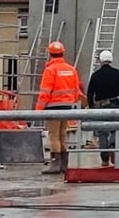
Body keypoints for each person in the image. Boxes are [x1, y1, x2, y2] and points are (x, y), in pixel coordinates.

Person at [35, 41, 84, 175]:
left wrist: (38, 111)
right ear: (63, 52)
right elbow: (76, 90)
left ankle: (55, 164)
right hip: (67, 106)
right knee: (63, 135)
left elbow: (45, 92)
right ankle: (64, 165)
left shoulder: (50, 70)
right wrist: (70, 102)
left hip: (53, 107)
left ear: (50, 54)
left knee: (54, 136)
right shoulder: (71, 69)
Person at [87, 49, 119, 167]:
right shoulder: (118, 73)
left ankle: (104, 159)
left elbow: (90, 93)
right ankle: (113, 145)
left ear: (100, 60)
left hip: (100, 106)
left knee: (102, 133)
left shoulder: (96, 75)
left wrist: (91, 107)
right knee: (115, 128)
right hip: (114, 104)